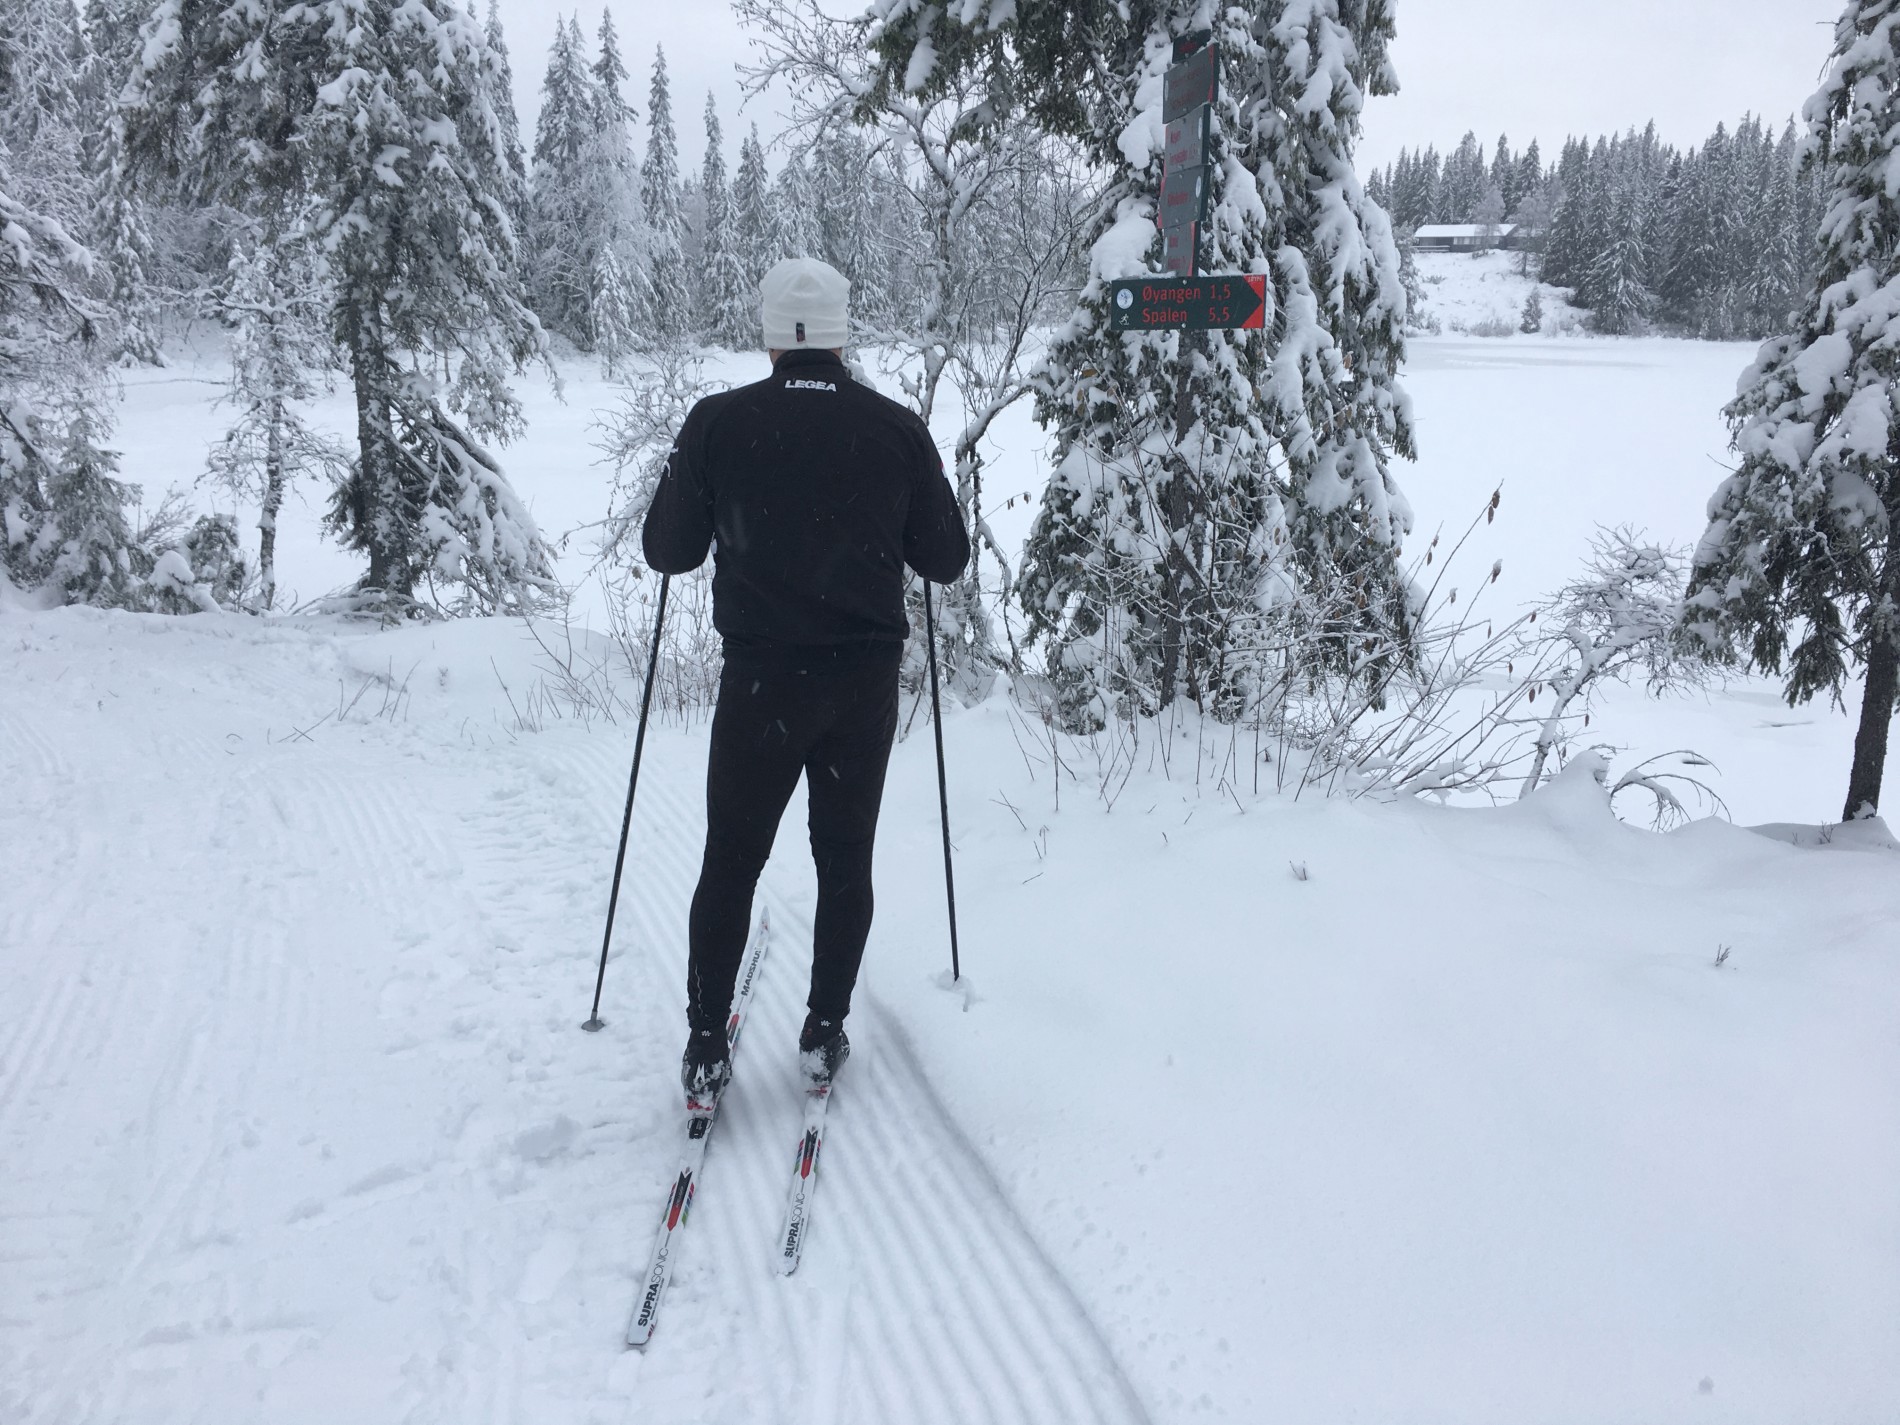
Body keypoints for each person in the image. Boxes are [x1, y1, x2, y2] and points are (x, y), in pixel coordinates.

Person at [642, 256, 969, 1101]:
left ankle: (706, 1043)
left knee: (731, 859)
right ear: (841, 332)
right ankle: (824, 1030)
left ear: (770, 335)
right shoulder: (895, 428)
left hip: (761, 684)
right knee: (844, 859)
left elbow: (667, 552)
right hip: (860, 686)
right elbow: (945, 558)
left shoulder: (719, 422)